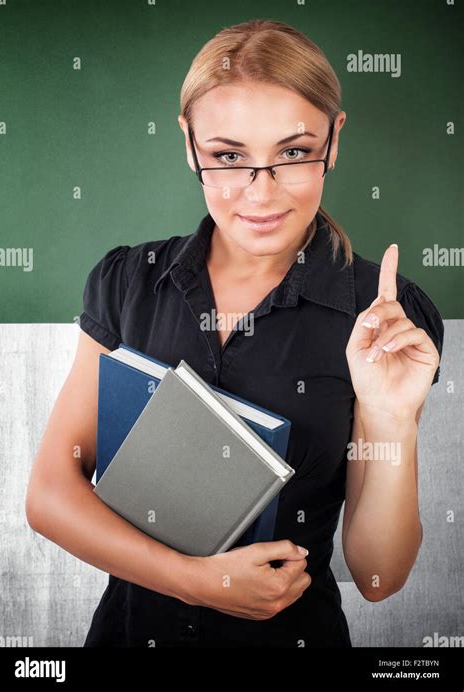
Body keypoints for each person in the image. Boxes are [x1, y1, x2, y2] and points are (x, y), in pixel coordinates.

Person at [26, 19, 444, 648]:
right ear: (189, 144)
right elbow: (51, 493)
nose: (261, 192)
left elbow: (380, 576)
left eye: (294, 153)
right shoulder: (127, 283)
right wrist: (199, 580)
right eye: (228, 157)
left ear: (334, 139)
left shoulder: (385, 314)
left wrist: (390, 419)